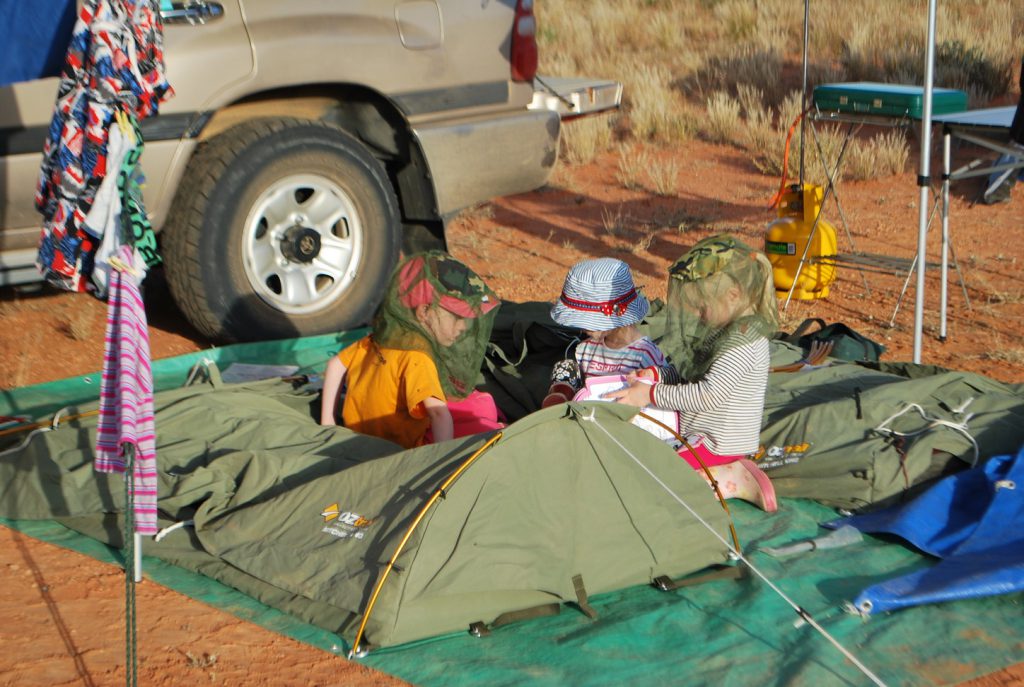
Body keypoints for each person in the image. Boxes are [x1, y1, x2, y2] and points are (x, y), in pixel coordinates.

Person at [605, 234, 779, 512]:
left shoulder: (742, 344)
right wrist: (658, 375)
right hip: (704, 436)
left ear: (733, 296)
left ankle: (729, 479)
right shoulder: (726, 331)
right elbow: (693, 372)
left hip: (717, 442)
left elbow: (708, 395)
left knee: (655, 476)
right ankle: (721, 474)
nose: (699, 314)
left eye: (703, 307)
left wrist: (650, 394)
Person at [320, 251, 501, 448]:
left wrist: (328, 421)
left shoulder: (381, 337)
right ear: (424, 311)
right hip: (404, 446)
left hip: (358, 432)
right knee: (482, 407)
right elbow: (439, 413)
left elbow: (335, 364)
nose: (463, 327)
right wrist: (439, 461)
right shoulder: (418, 357)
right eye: (457, 317)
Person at [543, 257, 666, 407]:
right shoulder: (586, 350)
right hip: (589, 418)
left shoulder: (644, 355)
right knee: (566, 367)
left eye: (587, 321)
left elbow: (660, 395)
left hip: (626, 422)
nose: (582, 328)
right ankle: (560, 399)